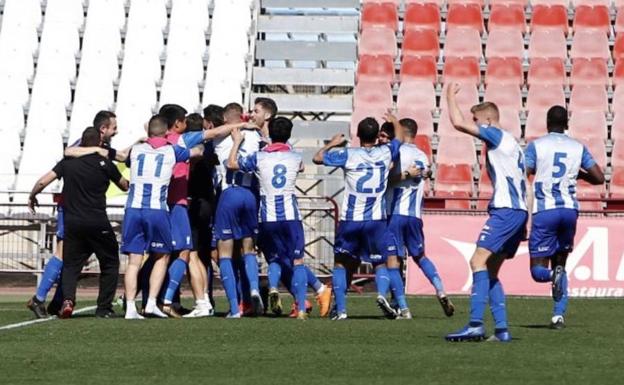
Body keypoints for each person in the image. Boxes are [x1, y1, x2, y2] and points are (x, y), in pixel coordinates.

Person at [122, 115, 236, 319]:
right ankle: (155, 303)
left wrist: (140, 140)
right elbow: (197, 152)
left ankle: (131, 307)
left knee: (134, 261)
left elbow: (121, 156)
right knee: (166, 255)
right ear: (168, 130)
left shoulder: (136, 150)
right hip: (159, 208)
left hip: (132, 209)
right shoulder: (172, 149)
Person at [444, 83, 528, 342]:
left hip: (506, 210)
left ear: (489, 119)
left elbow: (458, 124)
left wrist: (448, 95)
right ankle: (501, 330)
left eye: (477, 120)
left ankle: (475, 324)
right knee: (491, 271)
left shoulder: (496, 134)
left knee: (476, 261)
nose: (476, 125)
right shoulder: (514, 144)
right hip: (519, 211)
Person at [227, 117, 332, 319]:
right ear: (289, 135)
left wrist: (237, 142)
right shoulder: (295, 157)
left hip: (267, 217)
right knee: (298, 261)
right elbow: (300, 166)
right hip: (291, 217)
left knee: (273, 258)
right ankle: (301, 307)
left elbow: (232, 164)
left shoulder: (259, 157)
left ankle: (274, 287)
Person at [26, 110, 124, 318]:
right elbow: (69, 152)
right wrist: (98, 152)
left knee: (73, 257)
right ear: (102, 130)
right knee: (64, 254)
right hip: (73, 208)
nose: (116, 132)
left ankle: (58, 301)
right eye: (113, 128)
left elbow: (122, 156)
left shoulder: (103, 149)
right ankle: (39, 299)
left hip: (76, 212)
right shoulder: (91, 146)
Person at [313, 113, 405, 320]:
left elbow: (317, 157)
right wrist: (394, 119)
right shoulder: (385, 152)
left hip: (351, 219)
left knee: (341, 263)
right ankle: (381, 295)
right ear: (376, 136)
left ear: (357, 134)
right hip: (376, 220)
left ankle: (342, 310)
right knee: (380, 263)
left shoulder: (348, 154)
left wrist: (332, 144)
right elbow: (399, 137)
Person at [525, 105, 604, 329]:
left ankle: (552, 276)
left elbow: (524, 172)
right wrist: (577, 173)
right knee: (561, 263)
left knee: (538, 270)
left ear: (547, 123)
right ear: (567, 124)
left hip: (545, 210)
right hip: (569, 211)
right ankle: (558, 316)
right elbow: (599, 177)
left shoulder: (537, 146)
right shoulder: (578, 147)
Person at [381, 119, 455, 317]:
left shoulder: (397, 153)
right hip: (414, 216)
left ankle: (403, 308)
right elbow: (427, 173)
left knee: (393, 261)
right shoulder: (422, 155)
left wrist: (403, 174)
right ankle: (440, 290)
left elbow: (386, 180)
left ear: (402, 133)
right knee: (420, 257)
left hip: (394, 214)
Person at [213, 97, 276, 318]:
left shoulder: (221, 136)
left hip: (229, 194)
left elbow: (211, 135)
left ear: (224, 118)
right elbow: (268, 145)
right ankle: (254, 290)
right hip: (251, 196)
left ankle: (234, 307)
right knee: (248, 249)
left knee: (225, 254)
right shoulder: (256, 135)